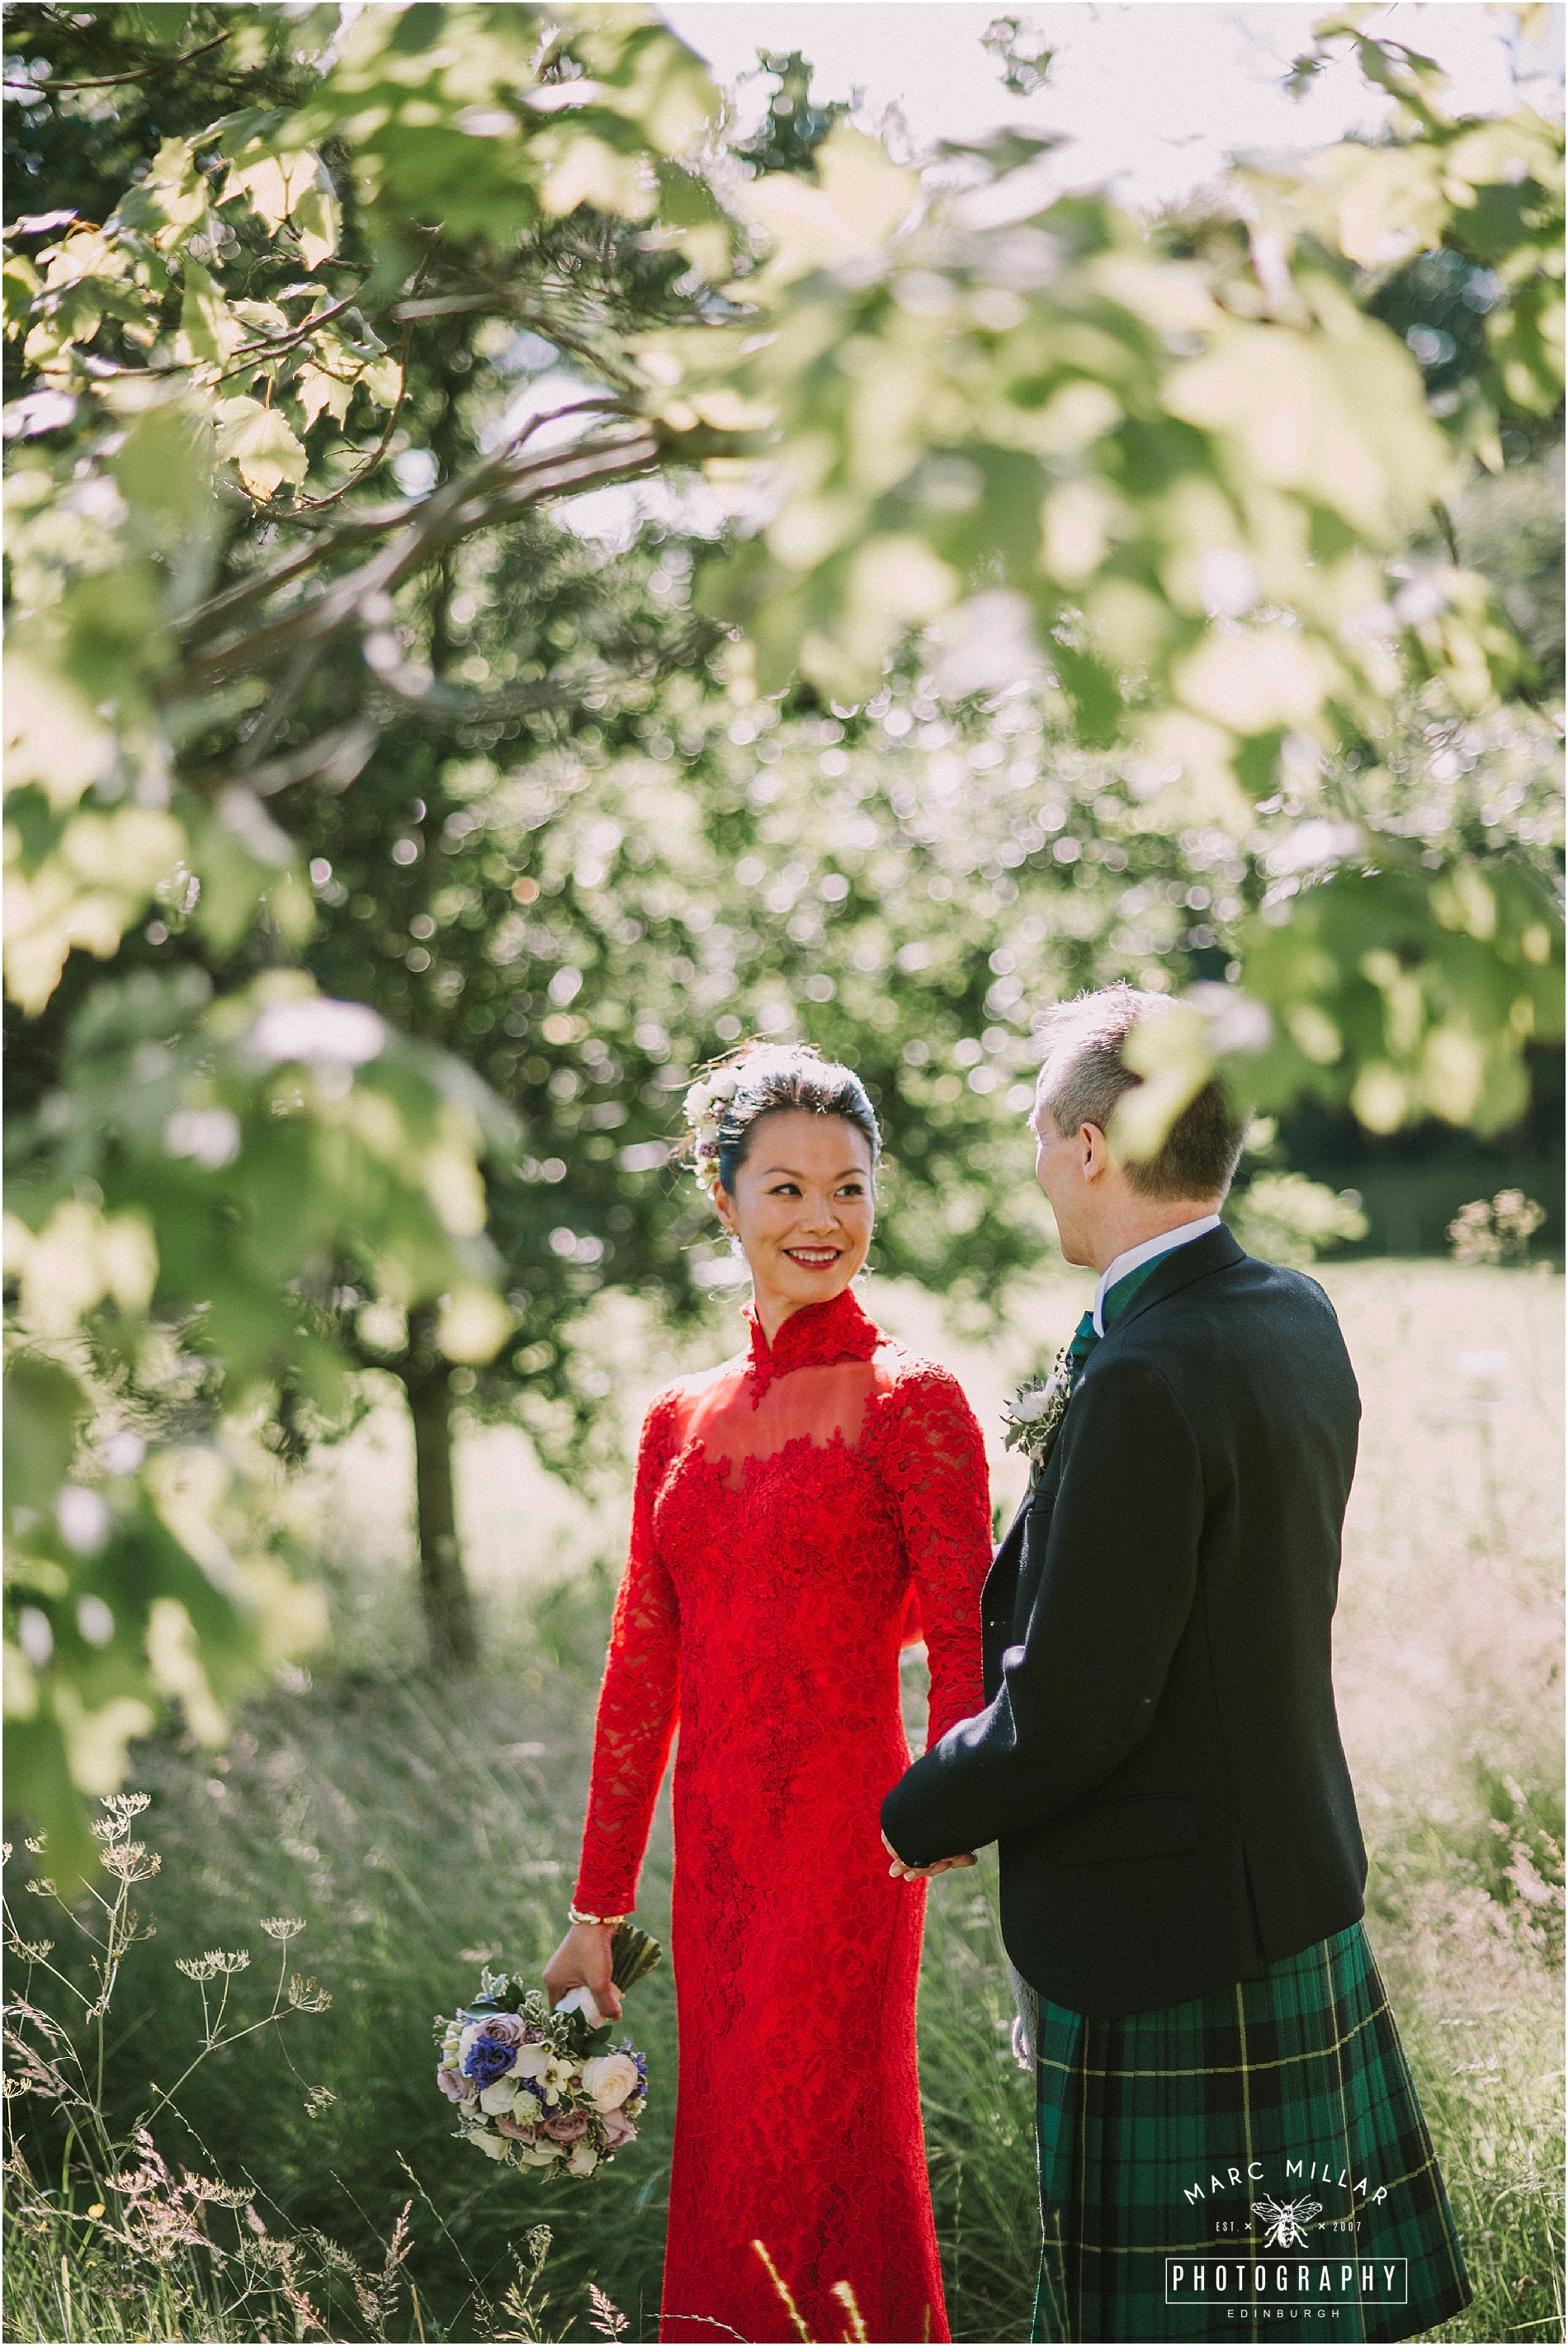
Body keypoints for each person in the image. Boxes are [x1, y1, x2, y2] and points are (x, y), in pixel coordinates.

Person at [881, 984, 1472, 2346]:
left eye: (1040, 1135)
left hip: (1165, 1936)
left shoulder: (1147, 1372)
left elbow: (1083, 1702)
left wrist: (915, 1813)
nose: (1037, 1169)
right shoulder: (1289, 1311)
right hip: (1288, 1890)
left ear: (1092, 1147)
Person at [545, 1042, 993, 2346]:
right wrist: (598, 1910)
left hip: (859, 1849)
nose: (823, 1219)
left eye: (849, 1189)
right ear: (723, 1197)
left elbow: (964, 1625)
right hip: (721, 1857)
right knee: (733, 2155)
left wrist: (955, 1790)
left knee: (832, 2154)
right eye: (787, 1189)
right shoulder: (675, 1423)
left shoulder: (917, 1400)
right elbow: (642, 1670)